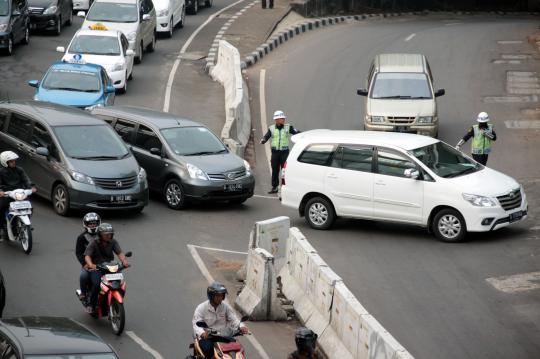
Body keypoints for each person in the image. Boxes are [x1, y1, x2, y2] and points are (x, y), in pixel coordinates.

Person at [192, 282, 249, 359]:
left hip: (223, 335)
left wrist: (241, 326)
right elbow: (196, 324)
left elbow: (234, 319)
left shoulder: (225, 307)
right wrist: (202, 333)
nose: (221, 298)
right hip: (207, 337)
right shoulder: (201, 308)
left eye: (222, 295)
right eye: (218, 296)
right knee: (208, 350)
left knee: (238, 348)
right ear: (211, 296)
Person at [84, 223, 129, 314]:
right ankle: (91, 305)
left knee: (118, 282)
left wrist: (124, 261)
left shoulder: (113, 242)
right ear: (100, 234)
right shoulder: (94, 243)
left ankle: (111, 300)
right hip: (97, 267)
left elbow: (119, 253)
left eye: (110, 234)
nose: (109, 236)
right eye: (106, 234)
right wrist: (91, 265)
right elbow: (87, 256)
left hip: (109, 266)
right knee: (97, 284)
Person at [260, 110, 300, 194]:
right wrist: (263, 140)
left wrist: (302, 135)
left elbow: (296, 133)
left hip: (284, 152)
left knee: (284, 170)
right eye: (281, 118)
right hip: (275, 153)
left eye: (283, 118)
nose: (283, 120)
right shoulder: (271, 128)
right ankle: (274, 187)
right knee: (275, 169)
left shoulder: (288, 127)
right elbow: (267, 136)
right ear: (277, 120)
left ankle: (284, 187)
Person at [0, 151, 36, 241]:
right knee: (1, 208)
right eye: (11, 161)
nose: (14, 162)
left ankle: (25, 223)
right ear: (5, 162)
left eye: (14, 161)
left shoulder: (19, 170)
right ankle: (2, 227)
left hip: (19, 193)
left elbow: (26, 179)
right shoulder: (1, 172)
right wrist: (1, 191)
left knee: (30, 207)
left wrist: (31, 187)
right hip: (6, 195)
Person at [75, 212, 101, 312]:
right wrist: (84, 264)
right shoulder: (81, 237)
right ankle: (84, 294)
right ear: (86, 224)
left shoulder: (102, 235)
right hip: (88, 263)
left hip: (101, 263)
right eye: (90, 224)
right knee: (84, 276)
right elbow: (78, 252)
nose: (93, 225)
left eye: (94, 223)